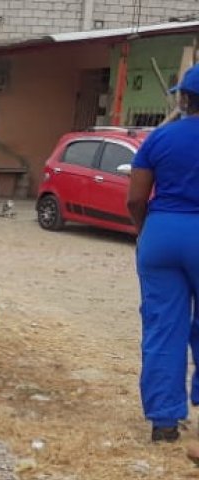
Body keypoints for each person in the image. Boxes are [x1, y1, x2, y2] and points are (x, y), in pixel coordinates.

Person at [128, 63, 199, 445]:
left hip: (163, 235)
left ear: (185, 98)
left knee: (163, 327)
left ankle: (164, 423)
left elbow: (136, 197)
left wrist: (146, 233)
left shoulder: (160, 138)